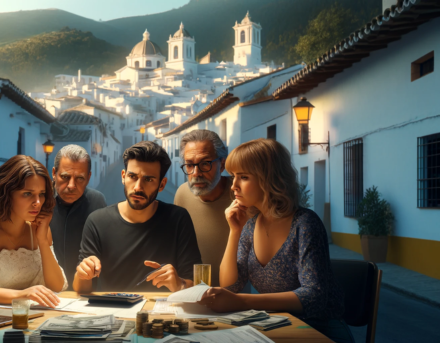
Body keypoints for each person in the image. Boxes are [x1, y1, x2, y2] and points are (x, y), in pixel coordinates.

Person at [198, 138, 353, 343]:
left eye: (243, 177)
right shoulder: (250, 226)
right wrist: (234, 231)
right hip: (276, 326)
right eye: (233, 176)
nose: (233, 185)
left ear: (268, 179)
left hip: (320, 330)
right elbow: (231, 286)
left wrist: (242, 302)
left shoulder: (305, 223)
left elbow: (313, 296)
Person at [73, 141, 202, 293]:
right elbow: (81, 290)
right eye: (132, 176)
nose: (138, 187)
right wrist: (82, 274)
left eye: (148, 179)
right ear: (123, 176)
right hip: (112, 312)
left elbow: (196, 285)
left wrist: (179, 284)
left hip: (162, 313)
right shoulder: (97, 221)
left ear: (162, 184)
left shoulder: (179, 219)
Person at [0, 155, 66, 308]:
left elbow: (57, 286)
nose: (37, 202)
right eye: (27, 194)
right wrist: (21, 295)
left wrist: (42, 240)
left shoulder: (41, 231)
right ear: (6, 194)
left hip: (32, 319)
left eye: (41, 194)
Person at [174, 130, 233, 287]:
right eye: (189, 165)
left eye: (205, 164)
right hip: (192, 295)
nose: (196, 173)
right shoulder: (182, 194)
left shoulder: (240, 194)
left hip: (235, 300)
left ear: (222, 165)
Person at [50, 145, 107, 289]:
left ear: (88, 178)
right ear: (54, 173)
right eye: (65, 177)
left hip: (85, 293)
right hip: (46, 292)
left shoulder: (97, 201)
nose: (71, 185)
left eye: (80, 178)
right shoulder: (39, 202)